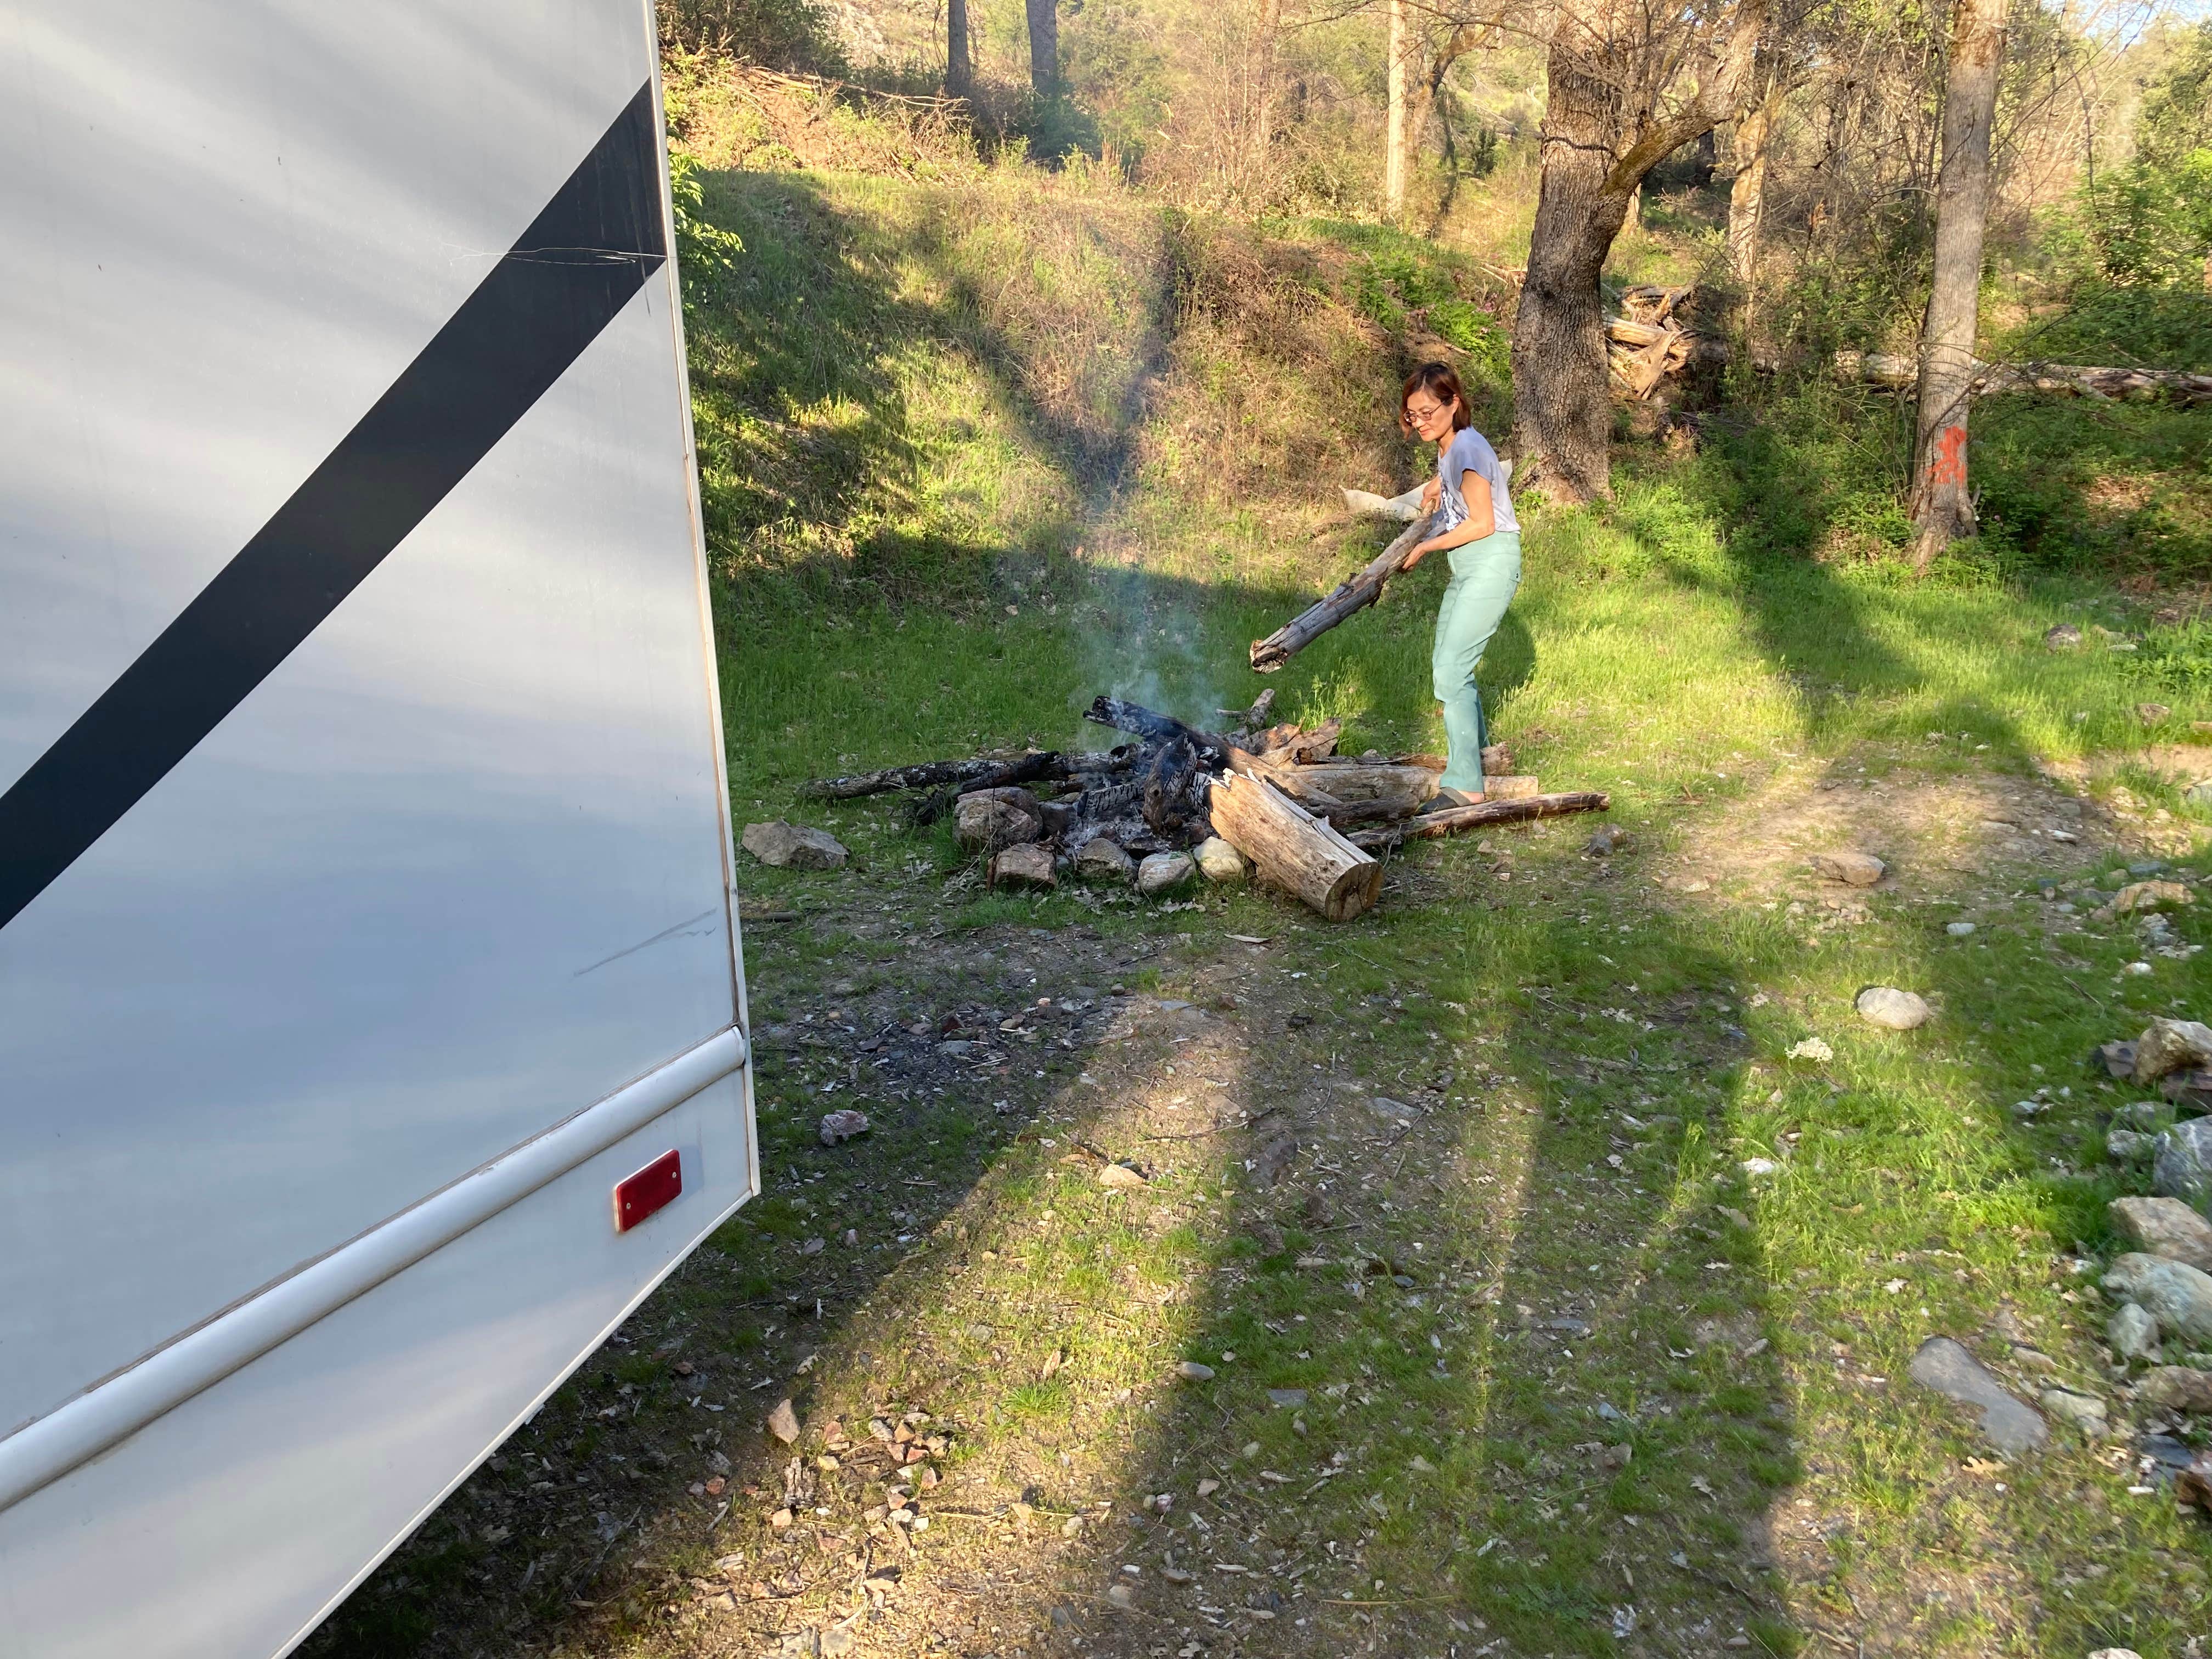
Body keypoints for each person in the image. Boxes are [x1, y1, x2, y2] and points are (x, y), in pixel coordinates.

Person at [1395, 362, 1520, 805]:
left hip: (1490, 561)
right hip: (1466, 567)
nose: (1420, 422)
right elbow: (1459, 487)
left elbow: (1483, 523)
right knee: (1445, 665)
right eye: (1413, 415)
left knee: (1452, 670)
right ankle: (1483, 759)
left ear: (1454, 404)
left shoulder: (1466, 446)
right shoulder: (1452, 448)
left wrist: (1426, 548)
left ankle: (1466, 785)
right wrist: (1435, 486)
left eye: (1429, 412)